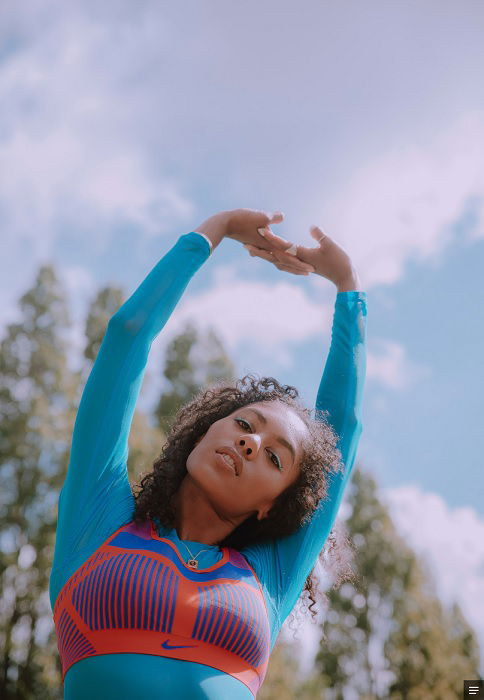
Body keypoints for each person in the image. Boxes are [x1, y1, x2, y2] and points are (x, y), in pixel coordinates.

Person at [49, 208, 367, 699]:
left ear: (275, 505)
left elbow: (340, 426)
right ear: (202, 433)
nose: (250, 442)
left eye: (275, 458)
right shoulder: (97, 524)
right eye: (244, 424)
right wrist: (213, 231)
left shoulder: (269, 577)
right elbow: (127, 334)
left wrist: (348, 288)